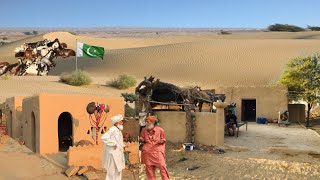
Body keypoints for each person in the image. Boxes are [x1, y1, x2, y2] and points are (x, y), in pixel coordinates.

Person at [140, 116, 170, 180]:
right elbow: (141, 138)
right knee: (149, 169)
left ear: (153, 122)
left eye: (148, 122)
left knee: (162, 167)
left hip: (157, 152)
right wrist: (142, 139)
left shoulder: (160, 130)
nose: (146, 123)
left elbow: (163, 140)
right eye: (146, 122)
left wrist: (158, 141)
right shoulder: (144, 130)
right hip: (147, 153)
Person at [101, 114, 126, 180]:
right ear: (117, 123)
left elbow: (118, 141)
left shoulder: (118, 130)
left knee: (118, 170)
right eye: (121, 121)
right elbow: (104, 137)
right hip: (113, 154)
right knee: (112, 171)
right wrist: (113, 143)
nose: (122, 123)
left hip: (118, 153)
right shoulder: (113, 129)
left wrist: (123, 145)